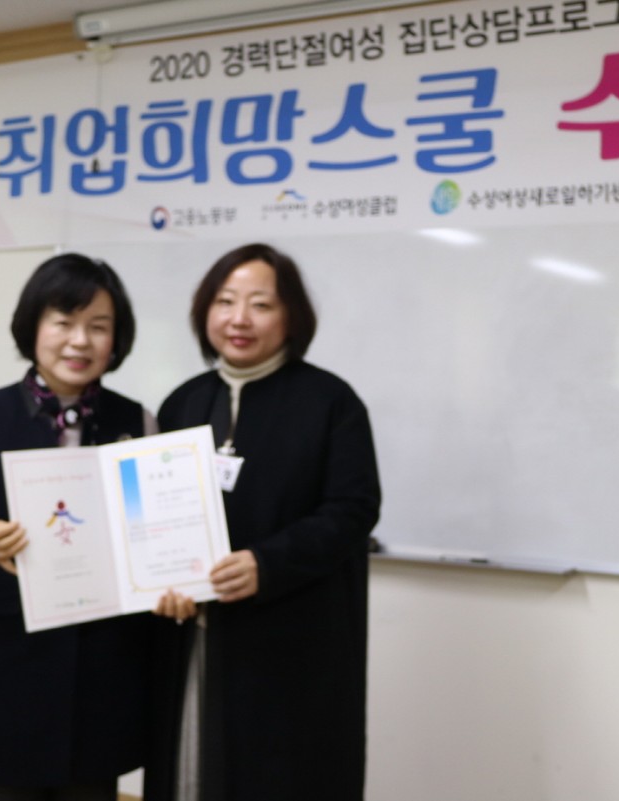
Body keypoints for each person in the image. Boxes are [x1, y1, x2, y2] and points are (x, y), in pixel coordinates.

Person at [0, 254, 156, 801]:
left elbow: (151, 537)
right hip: (6, 666)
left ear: (116, 338)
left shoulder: (137, 422)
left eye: (98, 326)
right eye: (63, 322)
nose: (80, 341)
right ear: (33, 327)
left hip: (102, 668)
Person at [144, 243, 381, 801]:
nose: (239, 319)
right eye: (225, 301)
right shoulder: (183, 403)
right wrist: (159, 579)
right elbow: (152, 516)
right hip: (197, 638)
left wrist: (266, 564)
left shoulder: (330, 401)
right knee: (191, 775)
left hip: (294, 643)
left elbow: (354, 509)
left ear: (291, 316)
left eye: (261, 304)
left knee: (284, 777)